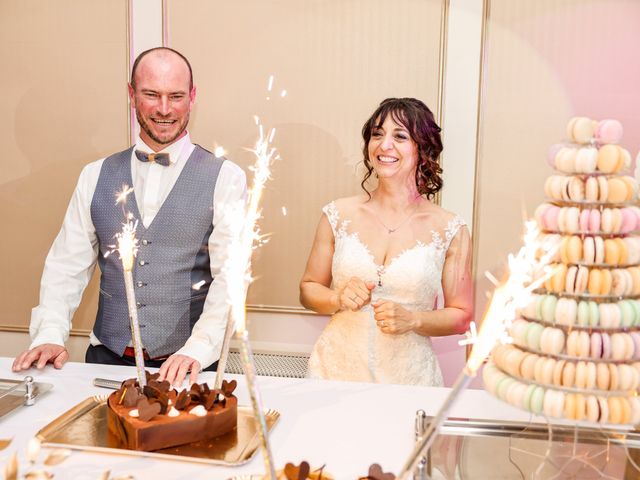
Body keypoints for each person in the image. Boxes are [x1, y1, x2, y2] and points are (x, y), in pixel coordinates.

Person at [12, 47, 246, 386]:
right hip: (104, 363)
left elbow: (230, 279)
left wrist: (197, 349)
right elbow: (66, 266)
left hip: (189, 368)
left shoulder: (226, 178)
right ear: (131, 95)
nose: (164, 109)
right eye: (151, 95)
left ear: (192, 97)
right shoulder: (95, 175)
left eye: (176, 96)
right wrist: (49, 334)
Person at [299, 97, 473, 386]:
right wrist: (337, 298)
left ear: (423, 149)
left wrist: (414, 320)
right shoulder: (337, 214)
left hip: (409, 377)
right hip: (334, 373)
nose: (384, 145)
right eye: (377, 134)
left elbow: (462, 316)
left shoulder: (451, 228)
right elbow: (307, 289)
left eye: (400, 136)